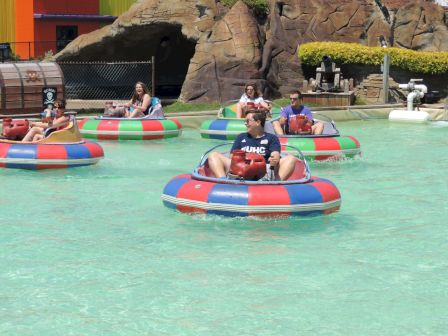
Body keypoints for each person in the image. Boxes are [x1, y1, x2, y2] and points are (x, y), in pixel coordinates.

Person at [207, 110, 298, 181]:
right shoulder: (241, 137)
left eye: (248, 121)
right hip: (241, 168)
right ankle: (223, 181)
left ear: (258, 122)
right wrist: (245, 160)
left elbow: (275, 155)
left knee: (291, 159)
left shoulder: (272, 138)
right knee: (213, 155)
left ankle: (277, 183)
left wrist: (273, 159)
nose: (245, 123)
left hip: (264, 169)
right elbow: (232, 157)